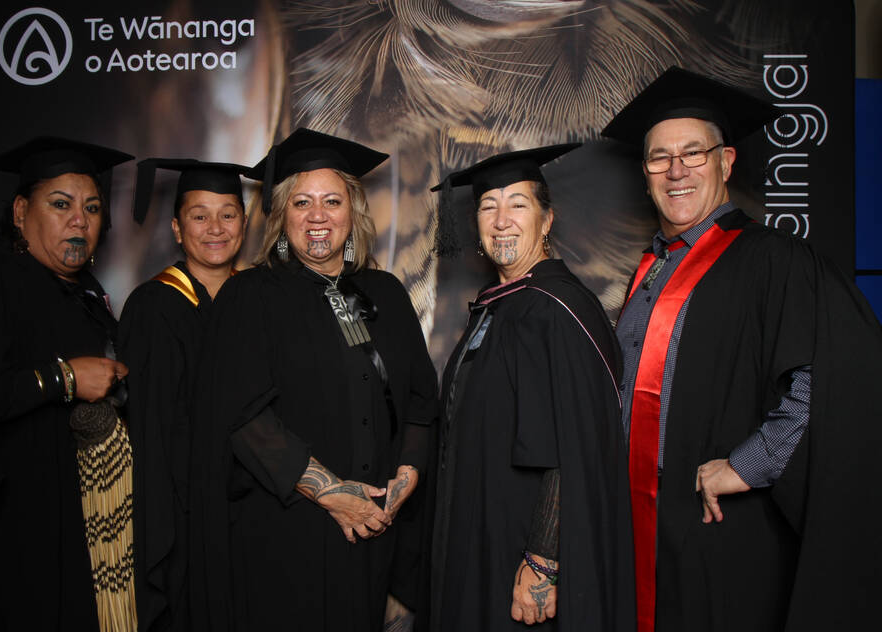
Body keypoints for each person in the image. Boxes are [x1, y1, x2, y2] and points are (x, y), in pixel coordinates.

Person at [601, 68, 882, 632]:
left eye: (693, 153)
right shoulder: (649, 272)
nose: (676, 170)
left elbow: (833, 376)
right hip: (646, 522)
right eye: (659, 158)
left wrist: (746, 465)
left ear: (726, 162)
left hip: (721, 528)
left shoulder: (774, 259)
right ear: (646, 174)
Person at [189, 128, 438, 632]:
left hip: (372, 532)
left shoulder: (385, 293)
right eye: (302, 203)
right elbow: (244, 416)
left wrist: (405, 477)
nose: (318, 216)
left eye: (332, 201)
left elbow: (420, 401)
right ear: (282, 215)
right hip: (287, 534)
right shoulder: (251, 296)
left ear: (353, 210)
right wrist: (330, 493)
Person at [0, 137, 137, 631]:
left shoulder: (86, 295)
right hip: (12, 529)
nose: (79, 221)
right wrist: (65, 378)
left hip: (84, 525)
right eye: (61, 205)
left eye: (92, 208)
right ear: (21, 213)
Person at [428, 144, 634, 631]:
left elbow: (574, 446)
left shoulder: (556, 309)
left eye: (517, 204)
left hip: (522, 544)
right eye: (488, 206)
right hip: (483, 528)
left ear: (546, 221)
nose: (502, 221)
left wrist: (542, 561)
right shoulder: (499, 305)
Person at [116, 157, 250, 632]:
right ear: (176, 228)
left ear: (244, 223)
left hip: (253, 513)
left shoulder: (262, 303)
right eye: (199, 215)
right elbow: (148, 432)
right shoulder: (153, 307)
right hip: (181, 514)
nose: (215, 228)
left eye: (228, 214)